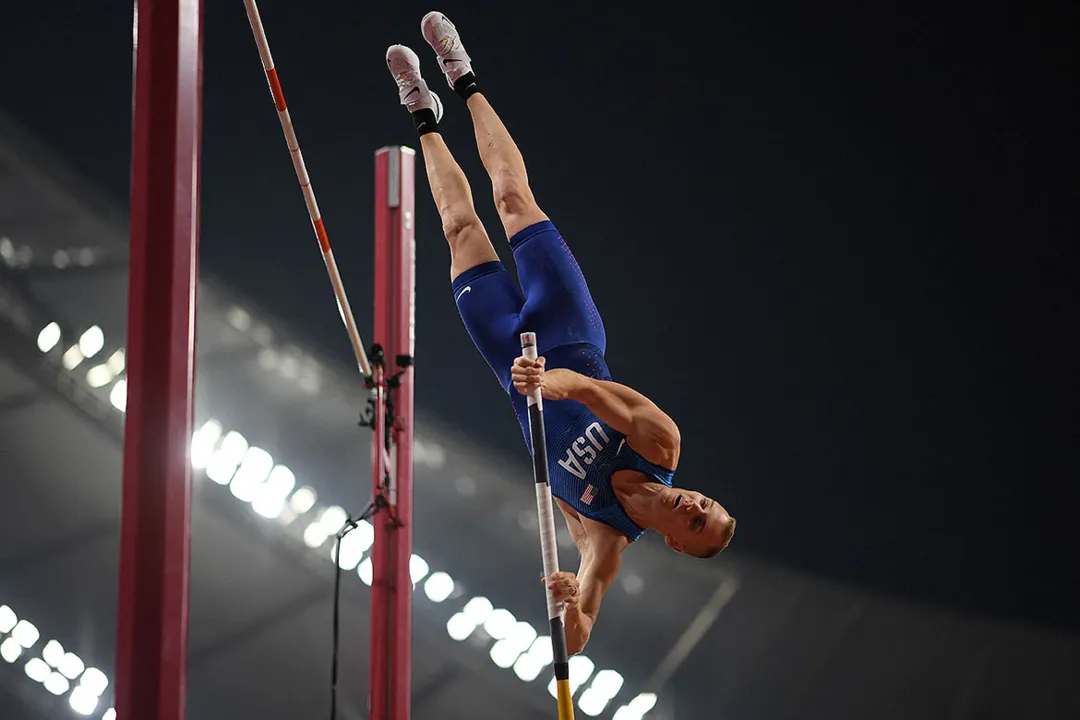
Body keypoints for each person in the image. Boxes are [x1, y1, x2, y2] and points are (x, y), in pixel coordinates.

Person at [386, 11, 736, 655]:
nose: (695, 505)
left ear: (681, 545)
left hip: (510, 367)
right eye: (706, 504)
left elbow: (575, 642)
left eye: (697, 522)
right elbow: (599, 397)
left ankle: (422, 114)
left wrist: (568, 605)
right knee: (513, 197)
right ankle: (463, 77)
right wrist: (549, 379)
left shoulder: (602, 540)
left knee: (459, 230)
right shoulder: (661, 445)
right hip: (565, 333)